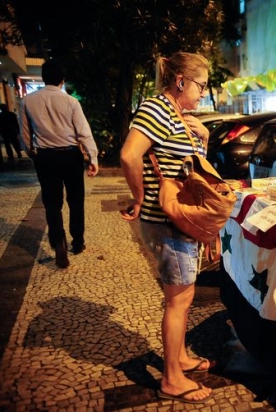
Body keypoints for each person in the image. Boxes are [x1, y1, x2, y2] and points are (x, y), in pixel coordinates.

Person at [120, 52, 214, 404]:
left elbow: (188, 164)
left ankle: (180, 358)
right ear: (180, 82)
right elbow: (130, 155)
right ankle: (172, 378)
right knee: (178, 299)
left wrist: (203, 134)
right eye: (201, 86)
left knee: (183, 297)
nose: (203, 93)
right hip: (167, 222)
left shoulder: (176, 113)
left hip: (180, 220)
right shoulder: (156, 108)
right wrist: (138, 195)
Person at [19, 60, 99, 269]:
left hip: (45, 157)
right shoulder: (71, 102)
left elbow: (25, 135)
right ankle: (78, 242)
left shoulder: (28, 101)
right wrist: (93, 158)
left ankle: (58, 241)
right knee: (76, 200)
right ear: (62, 80)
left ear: (43, 78)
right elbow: (84, 132)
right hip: (71, 156)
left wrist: (32, 154)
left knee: (52, 202)